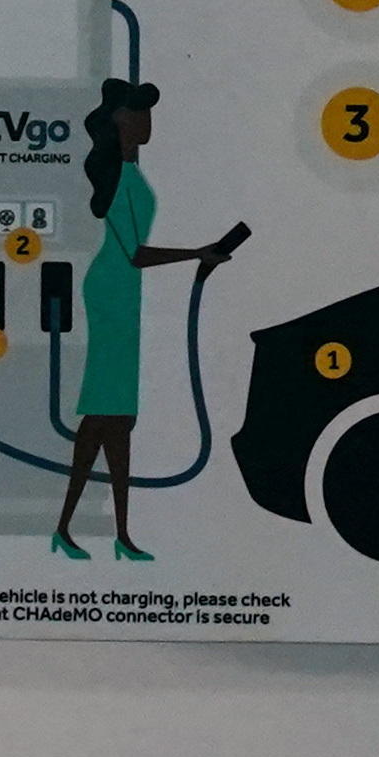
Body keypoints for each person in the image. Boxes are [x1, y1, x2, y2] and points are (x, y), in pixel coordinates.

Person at [52, 80, 241, 564]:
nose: (148, 120)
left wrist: (199, 255)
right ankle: (66, 528)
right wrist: (196, 254)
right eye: (139, 112)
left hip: (124, 292)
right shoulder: (117, 178)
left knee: (119, 421)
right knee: (102, 416)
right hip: (112, 290)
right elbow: (133, 254)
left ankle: (119, 535)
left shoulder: (133, 174)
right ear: (120, 121)